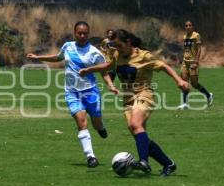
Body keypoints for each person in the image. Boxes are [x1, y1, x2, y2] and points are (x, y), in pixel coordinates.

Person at [79, 29, 189, 176]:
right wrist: (89, 70)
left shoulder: (144, 56)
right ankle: (168, 164)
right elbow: (107, 66)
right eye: (115, 46)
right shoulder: (118, 55)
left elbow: (163, 66)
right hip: (128, 100)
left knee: (135, 125)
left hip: (144, 95)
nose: (117, 48)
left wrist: (179, 80)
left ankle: (144, 162)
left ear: (128, 42)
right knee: (140, 136)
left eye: (119, 45)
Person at [26, 21, 119, 168]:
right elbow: (58, 57)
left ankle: (101, 127)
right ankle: (90, 156)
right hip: (72, 93)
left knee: (96, 123)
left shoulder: (94, 52)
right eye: (79, 33)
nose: (82, 36)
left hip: (91, 92)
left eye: (85, 33)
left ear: (88, 34)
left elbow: (103, 70)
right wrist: (39, 58)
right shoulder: (68, 46)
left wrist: (111, 85)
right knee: (82, 122)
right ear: (75, 33)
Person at [177, 20, 213, 110]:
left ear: (192, 26)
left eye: (190, 25)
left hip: (193, 62)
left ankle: (208, 95)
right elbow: (185, 49)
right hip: (185, 62)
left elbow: (199, 49)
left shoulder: (196, 35)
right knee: (184, 82)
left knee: (194, 84)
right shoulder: (184, 36)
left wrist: (196, 62)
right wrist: (182, 59)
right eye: (186, 25)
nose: (188, 27)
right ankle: (185, 104)